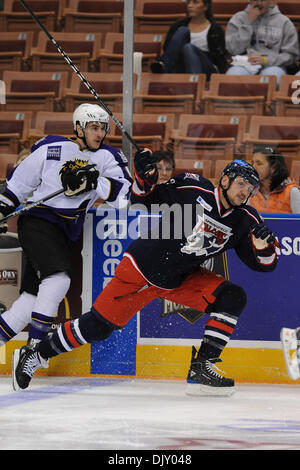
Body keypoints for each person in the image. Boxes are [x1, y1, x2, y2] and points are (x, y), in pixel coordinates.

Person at [12, 156, 279, 396]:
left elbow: (265, 265)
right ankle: (36, 354)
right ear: (225, 180)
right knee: (99, 327)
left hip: (181, 278)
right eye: (242, 183)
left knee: (233, 296)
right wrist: (144, 178)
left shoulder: (247, 220)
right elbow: (144, 198)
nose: (245, 192)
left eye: (251, 188)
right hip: (140, 268)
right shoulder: (192, 188)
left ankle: (202, 365)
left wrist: (263, 249)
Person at [0, 103, 132, 387]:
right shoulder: (52, 148)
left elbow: (124, 194)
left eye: (103, 128)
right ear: (78, 128)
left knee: (30, 302)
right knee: (58, 280)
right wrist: (1, 208)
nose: (99, 134)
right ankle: (33, 349)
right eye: (94, 128)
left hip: (66, 232)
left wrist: (94, 181)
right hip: (38, 221)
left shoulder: (108, 157)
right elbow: (18, 186)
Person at [225, 0, 299, 87]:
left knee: (270, 81)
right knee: (231, 80)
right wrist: (248, 23)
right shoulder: (238, 19)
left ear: (270, 1)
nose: (258, 3)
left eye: (262, 0)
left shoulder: (284, 22)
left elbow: (291, 55)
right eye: (255, 0)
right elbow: (233, 49)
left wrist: (266, 60)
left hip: (273, 65)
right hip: (243, 65)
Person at [150, 0, 229, 78]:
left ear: (205, 7)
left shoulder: (216, 29)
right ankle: (164, 65)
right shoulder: (177, 26)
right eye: (188, 2)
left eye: (195, 2)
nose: (189, 6)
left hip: (207, 67)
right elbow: (168, 49)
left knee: (188, 48)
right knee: (183, 30)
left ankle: (195, 84)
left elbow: (220, 56)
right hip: (181, 64)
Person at [249, 144, 300, 213]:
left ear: (273, 167)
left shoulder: (292, 192)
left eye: (259, 163)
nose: (253, 167)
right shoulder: (249, 191)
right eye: (252, 163)